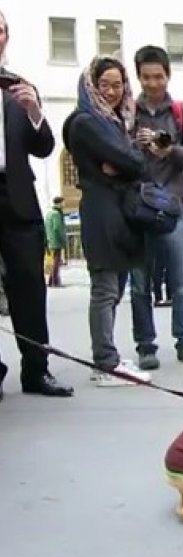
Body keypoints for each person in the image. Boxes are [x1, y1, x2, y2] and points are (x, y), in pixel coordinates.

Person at [62, 56, 153, 387]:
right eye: (105, 85)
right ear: (92, 86)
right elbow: (132, 161)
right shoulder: (86, 122)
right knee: (105, 288)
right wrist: (127, 159)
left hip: (117, 211)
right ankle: (105, 362)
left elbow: (132, 162)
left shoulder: (115, 122)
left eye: (118, 85)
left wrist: (127, 160)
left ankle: (108, 356)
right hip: (101, 212)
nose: (113, 91)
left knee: (114, 290)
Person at [0, 10, 73, 400]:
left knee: (30, 285)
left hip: (17, 200)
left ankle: (36, 370)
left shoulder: (19, 87)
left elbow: (44, 148)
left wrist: (34, 111)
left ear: (6, 37)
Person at [128, 45, 183, 370]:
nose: (152, 83)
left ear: (167, 75)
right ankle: (146, 346)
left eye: (158, 76)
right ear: (139, 77)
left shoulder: (181, 112)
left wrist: (166, 147)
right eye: (146, 77)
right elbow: (115, 152)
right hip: (138, 204)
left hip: (173, 203)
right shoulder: (129, 113)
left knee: (182, 282)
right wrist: (135, 145)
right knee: (140, 283)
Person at [45, 196, 67, 287]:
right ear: (59, 203)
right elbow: (57, 228)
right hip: (56, 241)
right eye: (63, 202)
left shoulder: (49, 213)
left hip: (50, 240)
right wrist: (63, 240)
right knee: (56, 262)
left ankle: (51, 281)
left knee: (53, 261)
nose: (64, 204)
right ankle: (55, 281)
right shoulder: (56, 214)